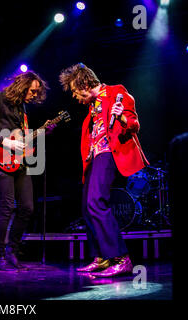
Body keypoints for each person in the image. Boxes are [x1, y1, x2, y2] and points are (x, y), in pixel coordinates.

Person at [59, 63, 149, 277]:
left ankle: (121, 257)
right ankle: (102, 258)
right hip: (95, 156)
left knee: (96, 201)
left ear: (85, 83)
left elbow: (134, 124)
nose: (74, 96)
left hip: (109, 152)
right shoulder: (92, 107)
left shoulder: (116, 91)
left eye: (74, 90)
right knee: (86, 206)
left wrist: (122, 117)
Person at [0, 71, 55, 271]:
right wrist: (6, 141)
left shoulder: (22, 109)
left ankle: (12, 251)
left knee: (27, 207)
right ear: (23, 85)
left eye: (37, 93)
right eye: (33, 91)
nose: (35, 95)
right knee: (7, 206)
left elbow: (22, 139)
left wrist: (42, 132)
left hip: (19, 162)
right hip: (0, 158)